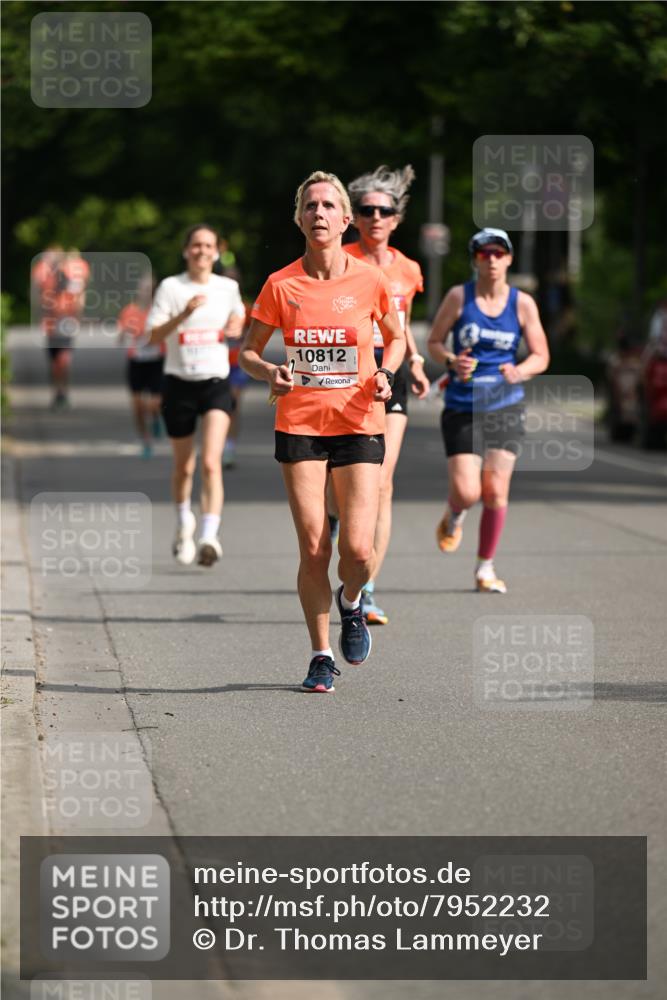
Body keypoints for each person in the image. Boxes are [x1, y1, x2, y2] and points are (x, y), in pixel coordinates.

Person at [240, 170, 405, 693]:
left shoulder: (370, 280)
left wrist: (385, 372)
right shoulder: (280, 283)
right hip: (300, 423)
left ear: (345, 219)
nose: (319, 214)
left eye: (329, 206)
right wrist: (269, 371)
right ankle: (320, 654)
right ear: (298, 218)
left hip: (359, 420)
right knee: (313, 547)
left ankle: (352, 601)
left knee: (356, 551)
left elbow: (395, 339)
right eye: (310, 206)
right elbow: (246, 352)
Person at [427, 228, 550, 593]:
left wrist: (521, 369)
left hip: (504, 405)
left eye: (498, 253)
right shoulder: (458, 297)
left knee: (495, 490)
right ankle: (454, 514)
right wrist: (451, 361)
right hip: (463, 405)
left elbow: (541, 355)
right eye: (484, 254)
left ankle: (485, 568)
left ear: (509, 259)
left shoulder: (522, 303)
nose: (492, 259)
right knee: (467, 492)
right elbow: (434, 342)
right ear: (475, 260)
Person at [341, 164, 430, 625]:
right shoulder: (341, 262)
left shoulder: (409, 269)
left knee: (382, 481)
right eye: (366, 210)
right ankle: (342, 519)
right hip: (346, 373)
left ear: (396, 218)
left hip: (389, 372)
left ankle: (367, 586)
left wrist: (413, 360)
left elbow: (402, 326)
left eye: (385, 210)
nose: (376, 217)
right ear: (353, 217)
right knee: (346, 486)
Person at [145, 224, 246, 567]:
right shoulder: (171, 288)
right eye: (196, 245)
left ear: (217, 252)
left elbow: (239, 317)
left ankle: (209, 535)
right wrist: (185, 314)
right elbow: (152, 335)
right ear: (186, 250)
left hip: (215, 382)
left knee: (210, 463)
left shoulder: (228, 287)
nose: (202, 251)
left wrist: (236, 325)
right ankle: (183, 521)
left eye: (208, 246)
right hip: (178, 383)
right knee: (184, 467)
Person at [33, 246, 89, 409]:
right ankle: (57, 392)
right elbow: (40, 299)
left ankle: (64, 391)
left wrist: (78, 319)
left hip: (66, 325)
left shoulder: (70, 280)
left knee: (64, 360)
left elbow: (78, 298)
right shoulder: (47, 281)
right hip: (51, 326)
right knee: (53, 362)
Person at [117, 274, 164, 459]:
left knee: (154, 404)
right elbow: (120, 336)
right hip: (136, 362)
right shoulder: (129, 311)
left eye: (149, 289)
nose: (145, 292)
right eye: (143, 288)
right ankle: (145, 441)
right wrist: (125, 334)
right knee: (137, 407)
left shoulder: (159, 310)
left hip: (156, 361)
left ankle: (155, 418)